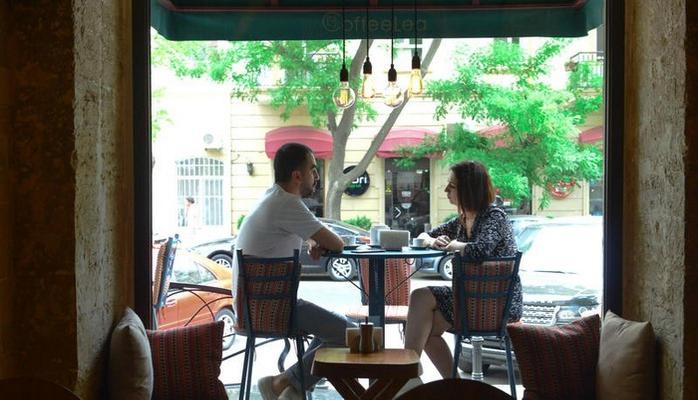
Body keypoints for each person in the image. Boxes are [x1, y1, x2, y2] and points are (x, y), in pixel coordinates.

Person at [233, 142, 350, 400]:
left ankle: (290, 386)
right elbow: (337, 243)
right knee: (351, 334)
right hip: (273, 309)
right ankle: (284, 383)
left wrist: (311, 239)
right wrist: (318, 239)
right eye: (313, 170)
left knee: (334, 331)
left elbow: (295, 232)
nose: (316, 176)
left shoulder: (273, 198)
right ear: (297, 175)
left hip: (253, 307)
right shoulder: (288, 203)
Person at [403, 160, 521, 379]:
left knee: (421, 299)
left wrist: (453, 245)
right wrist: (432, 241)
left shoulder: (494, 217)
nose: (446, 190)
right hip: (469, 298)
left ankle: (406, 372)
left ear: (468, 189)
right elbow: (422, 236)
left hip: (496, 304)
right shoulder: (462, 220)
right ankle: (452, 386)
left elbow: (480, 250)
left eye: (452, 186)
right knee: (426, 326)